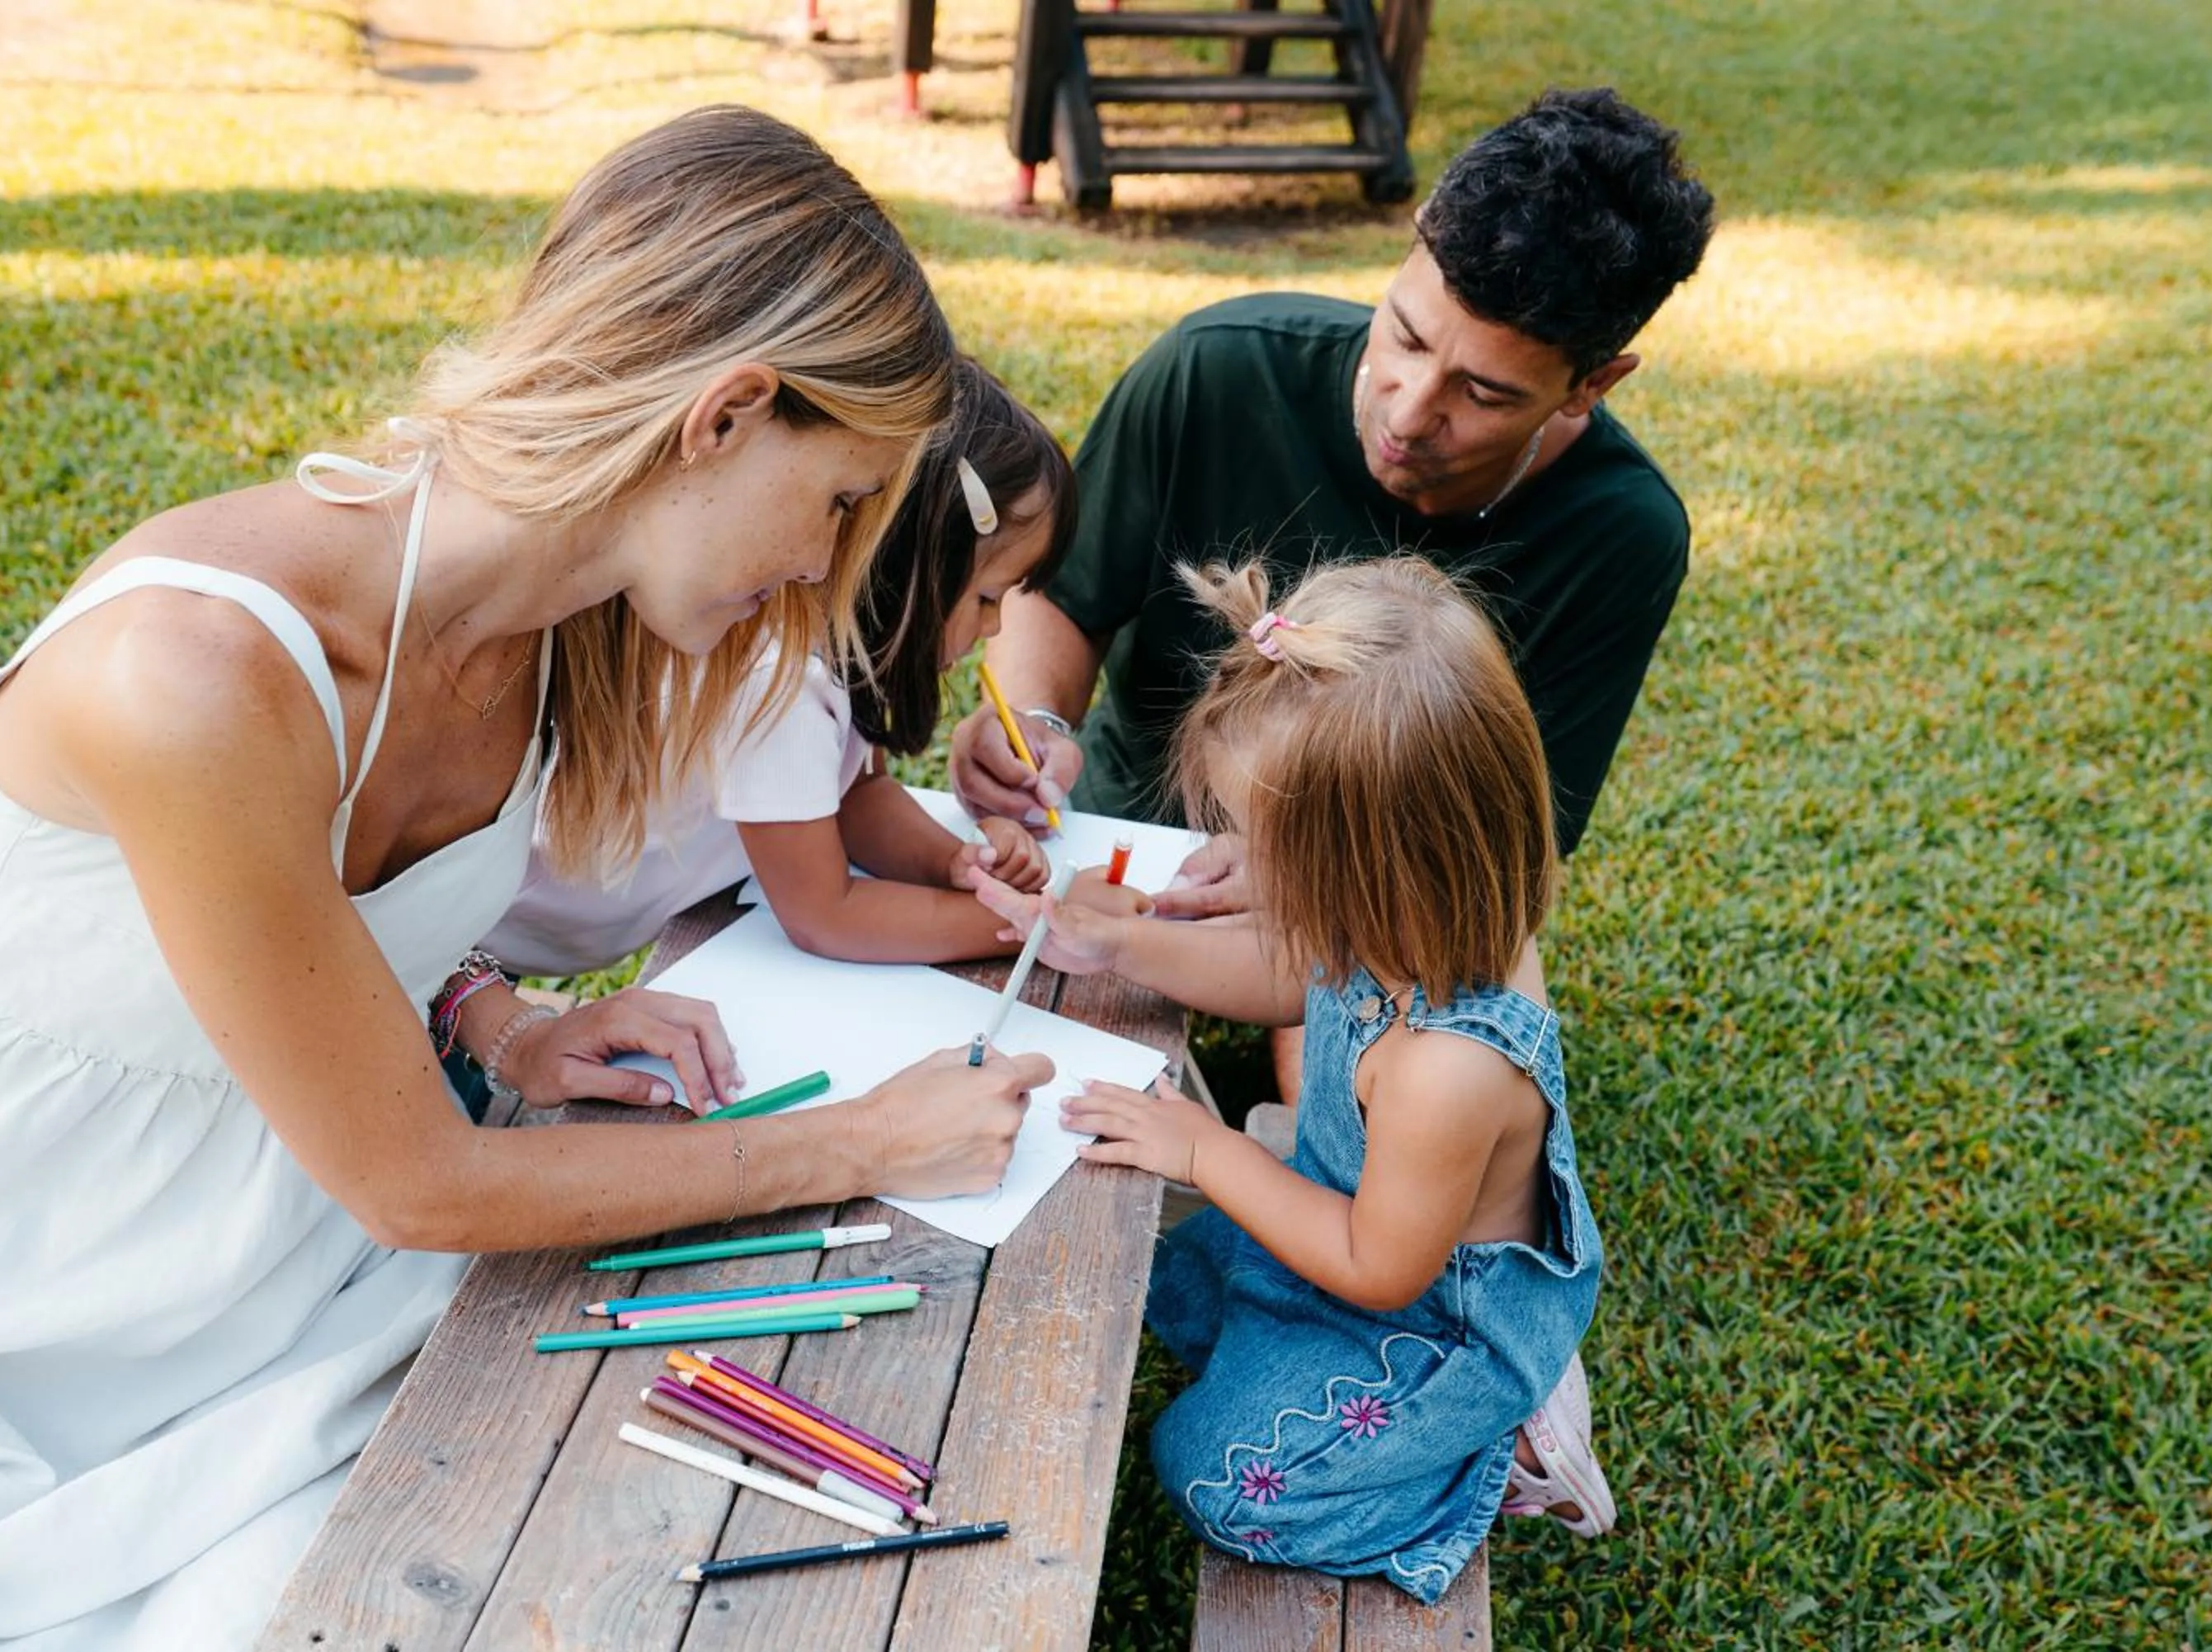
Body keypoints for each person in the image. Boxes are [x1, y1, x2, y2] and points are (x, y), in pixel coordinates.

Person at [0, 107, 1051, 1652]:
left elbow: (316, 955)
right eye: (835, 505)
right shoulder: (195, 676)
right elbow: (420, 1182)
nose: (821, 572)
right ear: (725, 414)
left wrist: (493, 1020)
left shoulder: (556, 639)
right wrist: (861, 1139)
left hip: (282, 1308)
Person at [970, 558, 1611, 1603]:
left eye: (1263, 845)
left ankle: (1500, 1448)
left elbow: (1376, 1267)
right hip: (1356, 1214)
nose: (1238, 865)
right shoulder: (1406, 915)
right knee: (1171, 1285)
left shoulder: (1448, 1068)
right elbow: (1287, 973)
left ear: (1374, 861)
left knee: (1217, 1480)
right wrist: (1120, 946)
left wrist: (1207, 1148)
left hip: (1430, 1311)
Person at [951, 84, 1714, 879]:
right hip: (1124, 837)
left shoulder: (1622, 531)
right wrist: (1033, 728)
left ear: (1592, 385)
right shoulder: (1218, 368)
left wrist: (1316, 929)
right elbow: (1063, 594)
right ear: (1411, 245)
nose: (1411, 414)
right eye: (1407, 338)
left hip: (1366, 904)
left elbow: (1514, 842)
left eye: (1484, 393)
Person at [486, 361, 1077, 986]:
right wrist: (1041, 924)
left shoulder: (838, 654)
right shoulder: (780, 686)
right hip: (484, 945)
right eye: (987, 598)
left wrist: (955, 863)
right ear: (912, 569)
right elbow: (827, 915)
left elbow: (856, 797)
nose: (994, 630)